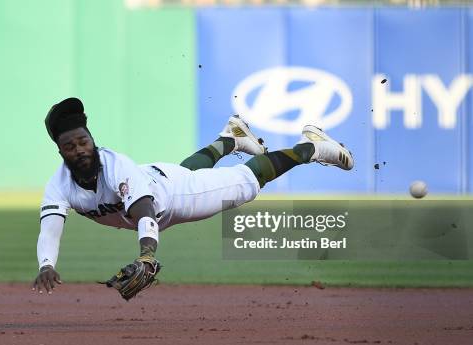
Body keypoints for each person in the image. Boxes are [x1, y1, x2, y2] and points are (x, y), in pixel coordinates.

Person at [31, 97, 353, 299]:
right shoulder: (58, 185)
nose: (80, 149)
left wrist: (146, 255)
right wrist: (47, 265)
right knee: (187, 170)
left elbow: (145, 210)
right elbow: (50, 229)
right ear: (61, 151)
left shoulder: (115, 165)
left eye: (83, 141)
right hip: (160, 176)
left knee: (247, 182)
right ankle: (230, 138)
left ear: (91, 139)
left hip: (175, 197)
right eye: (71, 146)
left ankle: (312, 147)